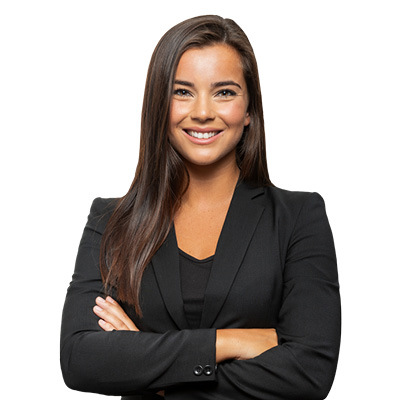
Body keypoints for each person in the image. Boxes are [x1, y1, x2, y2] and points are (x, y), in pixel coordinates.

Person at [60, 15, 341, 400]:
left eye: (224, 92)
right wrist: (227, 342)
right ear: (159, 106)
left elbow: (310, 371)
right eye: (182, 92)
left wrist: (151, 372)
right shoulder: (112, 221)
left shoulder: (298, 218)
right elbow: (80, 358)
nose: (204, 112)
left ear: (249, 110)